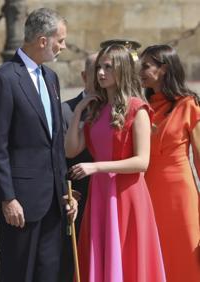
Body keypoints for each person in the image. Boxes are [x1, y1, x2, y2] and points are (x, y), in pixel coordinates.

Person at [0, 8, 77, 282]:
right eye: (60, 40)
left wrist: (66, 192)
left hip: (53, 204)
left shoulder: (51, 79)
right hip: (20, 203)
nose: (64, 46)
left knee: (49, 273)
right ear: (43, 40)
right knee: (18, 274)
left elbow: (55, 143)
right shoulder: (5, 79)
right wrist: (7, 198)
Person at [65, 44, 166, 282]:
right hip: (100, 194)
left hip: (127, 195)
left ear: (122, 69)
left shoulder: (137, 108)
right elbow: (71, 150)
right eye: (99, 67)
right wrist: (78, 111)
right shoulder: (96, 110)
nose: (100, 72)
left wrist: (97, 167)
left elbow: (142, 162)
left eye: (108, 67)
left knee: (127, 257)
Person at [139, 44, 200, 282]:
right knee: (155, 254)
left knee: (184, 252)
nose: (140, 72)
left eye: (146, 66)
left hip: (180, 194)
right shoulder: (141, 108)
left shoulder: (189, 104)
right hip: (148, 191)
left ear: (163, 69)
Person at [60, 53, 97, 281]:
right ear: (84, 76)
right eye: (97, 71)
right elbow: (57, 156)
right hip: (78, 198)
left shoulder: (118, 107)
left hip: (111, 197)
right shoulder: (65, 110)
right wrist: (65, 190)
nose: (103, 76)